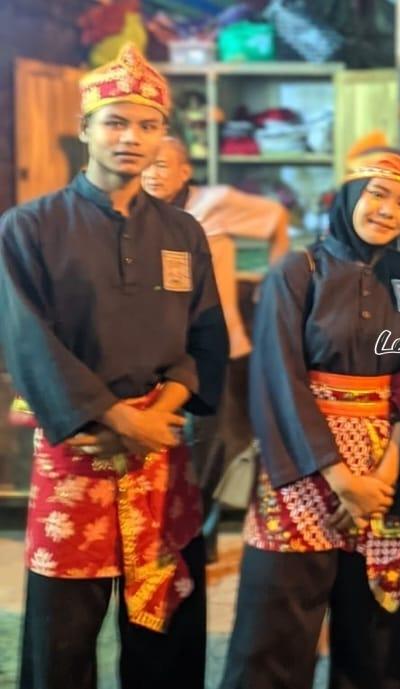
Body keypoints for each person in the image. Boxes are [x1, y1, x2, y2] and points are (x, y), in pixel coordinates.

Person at [0, 43, 228, 689]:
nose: (132, 137)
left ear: (163, 135)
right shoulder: (29, 227)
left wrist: (160, 411)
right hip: (79, 451)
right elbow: (27, 341)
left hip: (160, 452)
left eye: (148, 124)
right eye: (115, 122)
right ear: (85, 130)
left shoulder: (184, 233)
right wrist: (114, 417)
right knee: (63, 634)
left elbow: (204, 336)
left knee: (164, 624)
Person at [218, 133, 400, 689]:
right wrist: (337, 477)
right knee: (276, 633)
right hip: (303, 466)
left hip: (383, 469)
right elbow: (278, 378)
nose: (387, 211)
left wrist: (383, 476)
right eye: (377, 194)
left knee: (374, 637)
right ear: (350, 192)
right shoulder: (299, 270)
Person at [142, 135, 290, 560]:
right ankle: (170, 533)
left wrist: (272, 283)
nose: (152, 173)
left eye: (162, 165)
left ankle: (197, 538)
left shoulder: (215, 201)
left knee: (212, 445)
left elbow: (276, 213)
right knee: (165, 444)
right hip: (157, 355)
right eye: (146, 165)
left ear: (185, 172)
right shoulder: (134, 214)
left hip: (217, 349)